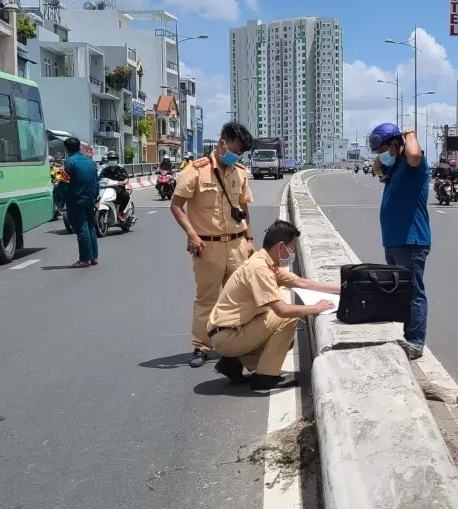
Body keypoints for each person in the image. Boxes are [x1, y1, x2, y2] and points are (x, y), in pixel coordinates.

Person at [209, 220, 339, 390]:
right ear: (280, 247)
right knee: (288, 319)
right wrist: (317, 308)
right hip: (228, 336)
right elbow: (282, 311)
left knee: (286, 339)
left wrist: (342, 289)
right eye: (292, 248)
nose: (292, 252)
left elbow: (302, 283)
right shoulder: (259, 269)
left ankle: (233, 362)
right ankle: (265, 377)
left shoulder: (265, 262)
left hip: (230, 331)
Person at [170, 122, 255, 369]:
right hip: (207, 246)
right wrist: (191, 234)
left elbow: (244, 207)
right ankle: (202, 346)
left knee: (240, 296)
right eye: (235, 150)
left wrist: (249, 239)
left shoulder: (240, 172)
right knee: (206, 299)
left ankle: (235, 345)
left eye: (241, 154)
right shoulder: (195, 171)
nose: (237, 156)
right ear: (222, 144)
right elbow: (176, 205)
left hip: (237, 244)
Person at [369, 122, 430, 360]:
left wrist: (408, 133)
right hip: (394, 241)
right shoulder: (394, 167)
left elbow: (413, 153)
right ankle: (407, 337)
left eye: (382, 148)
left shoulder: (414, 163)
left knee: (414, 291)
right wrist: (384, 154)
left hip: (411, 240)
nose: (379, 155)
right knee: (400, 292)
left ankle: (415, 342)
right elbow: (376, 169)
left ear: (396, 143)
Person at [62, 137, 99, 268]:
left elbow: (63, 182)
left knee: (82, 228)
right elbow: (96, 182)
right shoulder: (90, 162)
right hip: (90, 199)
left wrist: (59, 199)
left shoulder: (69, 162)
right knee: (90, 227)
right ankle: (94, 257)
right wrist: (96, 198)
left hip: (75, 200)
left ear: (67, 149)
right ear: (79, 147)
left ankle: (84, 259)